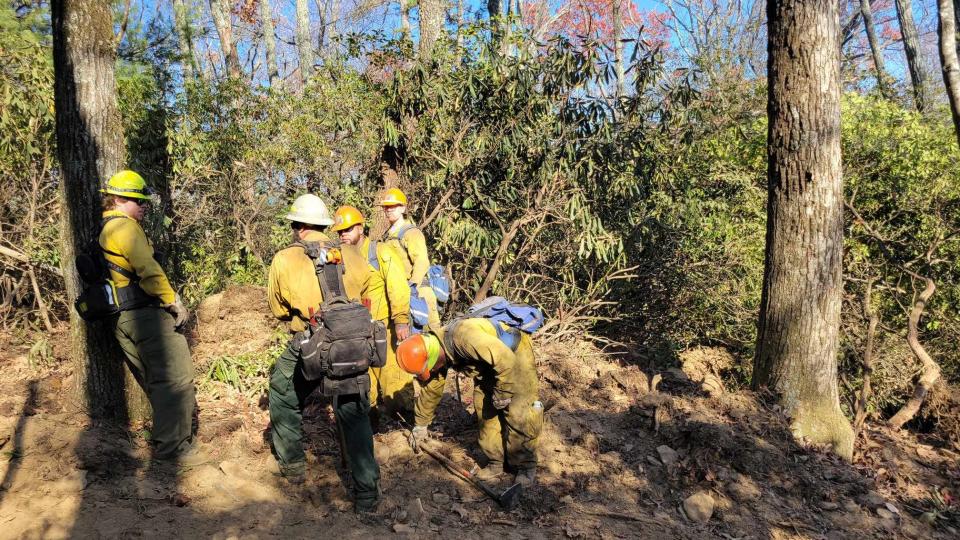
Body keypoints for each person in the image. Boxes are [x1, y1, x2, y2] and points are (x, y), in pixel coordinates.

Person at [266, 194, 380, 513]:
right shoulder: (352, 254)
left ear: (298, 226)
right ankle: (367, 495)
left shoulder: (284, 259)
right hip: (353, 345)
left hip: (311, 343)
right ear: (324, 225)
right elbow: (368, 290)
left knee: (282, 388)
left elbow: (278, 309)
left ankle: (292, 469)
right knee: (353, 410)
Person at [99, 170, 203, 466]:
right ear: (118, 199)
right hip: (146, 316)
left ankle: (165, 440)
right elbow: (148, 269)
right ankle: (174, 449)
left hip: (122, 318)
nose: (143, 205)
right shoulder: (124, 228)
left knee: (157, 381)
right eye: (137, 200)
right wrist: (173, 301)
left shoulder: (105, 227)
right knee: (178, 378)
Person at [396, 317, 543, 487]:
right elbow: (432, 389)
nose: (434, 371)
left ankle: (525, 467)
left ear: (435, 357)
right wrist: (420, 425)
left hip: (513, 357)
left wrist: (503, 393)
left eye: (432, 368)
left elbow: (505, 359)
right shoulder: (435, 348)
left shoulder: (465, 339)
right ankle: (495, 462)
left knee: (518, 412)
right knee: (485, 411)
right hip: (487, 366)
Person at [331, 205, 413, 416]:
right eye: (340, 232)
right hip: (355, 334)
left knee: (395, 386)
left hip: (383, 329)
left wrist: (401, 320)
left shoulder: (381, 251)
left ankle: (410, 427)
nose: (343, 235)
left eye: (347, 230)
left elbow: (397, 286)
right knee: (365, 388)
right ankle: (372, 428)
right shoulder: (339, 258)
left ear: (360, 227)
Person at [379, 188, 441, 330]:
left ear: (403, 208)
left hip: (418, 293)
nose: (388, 210)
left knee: (431, 339)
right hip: (400, 294)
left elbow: (422, 261)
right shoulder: (387, 235)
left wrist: (411, 286)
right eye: (386, 207)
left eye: (393, 206)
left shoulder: (411, 232)